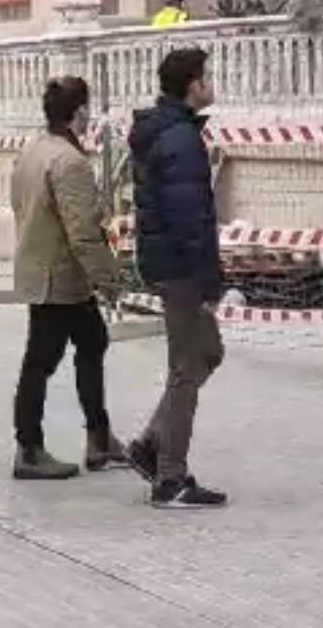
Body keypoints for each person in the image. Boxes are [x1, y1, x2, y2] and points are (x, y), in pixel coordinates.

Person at [10, 75, 126, 480]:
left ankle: (99, 437)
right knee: (42, 360)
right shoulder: (70, 162)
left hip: (43, 269)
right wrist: (109, 278)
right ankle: (29, 447)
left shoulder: (33, 151)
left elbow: (19, 206)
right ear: (79, 112)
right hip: (59, 278)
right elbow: (82, 230)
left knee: (91, 343)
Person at [127, 46, 227, 508]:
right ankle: (170, 476)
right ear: (193, 85)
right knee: (188, 366)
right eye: (207, 77)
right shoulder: (181, 140)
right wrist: (208, 282)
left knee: (208, 352)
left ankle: (151, 443)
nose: (211, 84)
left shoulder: (169, 132)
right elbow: (190, 219)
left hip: (168, 262)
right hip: (181, 269)